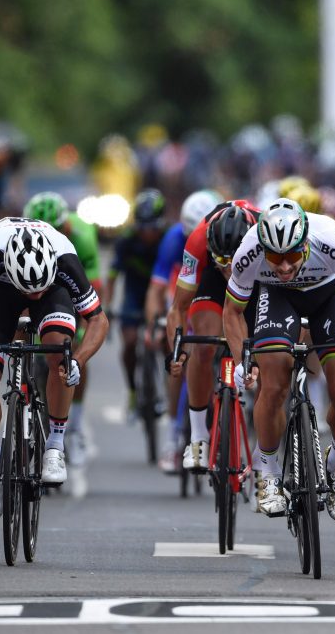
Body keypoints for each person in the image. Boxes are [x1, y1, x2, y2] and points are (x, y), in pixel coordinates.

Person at [0, 217, 108, 520]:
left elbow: (98, 319)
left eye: (36, 293)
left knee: (59, 354)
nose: (33, 299)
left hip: (54, 287)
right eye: (29, 293)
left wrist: (78, 360)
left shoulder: (65, 260)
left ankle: (55, 446)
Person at [221, 199, 335, 520]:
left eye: (292, 255)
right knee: (274, 383)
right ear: (262, 246)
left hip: (327, 296)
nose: (284, 266)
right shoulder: (249, 250)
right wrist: (241, 362)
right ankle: (269, 472)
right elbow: (232, 311)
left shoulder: (330, 239)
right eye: (275, 256)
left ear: (305, 242)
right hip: (278, 298)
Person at [167, 200, 260, 471]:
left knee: (268, 351)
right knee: (203, 344)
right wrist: (179, 348)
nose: (230, 271)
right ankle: (198, 437)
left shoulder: (263, 236)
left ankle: (265, 454)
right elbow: (178, 308)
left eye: (234, 264)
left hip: (257, 276)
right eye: (224, 263)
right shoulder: (197, 241)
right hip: (211, 280)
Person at [145, 189, 222, 471]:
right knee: (181, 356)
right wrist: (156, 324)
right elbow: (159, 289)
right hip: (187, 286)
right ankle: (173, 437)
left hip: (220, 281)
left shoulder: (226, 232)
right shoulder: (174, 239)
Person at [23, 191, 101, 468]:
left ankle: (76, 426)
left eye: (55, 230)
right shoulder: (21, 239)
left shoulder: (81, 235)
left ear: (65, 225)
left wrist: (79, 333)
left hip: (69, 287)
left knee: (77, 350)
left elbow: (91, 290)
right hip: (31, 281)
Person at [103, 189, 167, 429]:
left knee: (167, 340)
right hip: (133, 294)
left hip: (160, 292)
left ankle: (166, 386)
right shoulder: (126, 240)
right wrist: (108, 306)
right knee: (129, 342)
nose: (147, 232)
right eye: (143, 227)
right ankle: (132, 392)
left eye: (152, 227)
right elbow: (111, 277)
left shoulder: (167, 238)